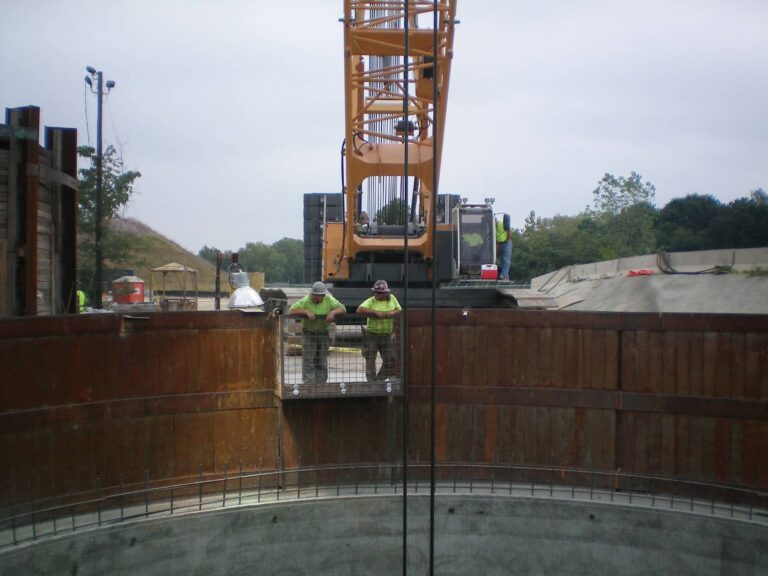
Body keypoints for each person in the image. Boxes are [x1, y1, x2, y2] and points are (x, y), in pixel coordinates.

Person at [289, 281, 346, 384]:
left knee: (321, 359)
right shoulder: (306, 300)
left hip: (323, 332)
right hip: (309, 332)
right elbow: (292, 310)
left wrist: (333, 312)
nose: (317, 298)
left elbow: (342, 308)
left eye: (320, 296)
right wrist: (306, 312)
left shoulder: (329, 300)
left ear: (323, 295)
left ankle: (321, 383)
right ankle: (309, 383)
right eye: (315, 295)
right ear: (312, 294)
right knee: (308, 359)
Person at [356, 279, 402, 382]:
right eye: (376, 292)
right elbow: (359, 309)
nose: (377, 295)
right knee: (370, 360)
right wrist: (375, 312)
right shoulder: (371, 301)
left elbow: (399, 310)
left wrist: (392, 313)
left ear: (386, 293)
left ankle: (380, 380)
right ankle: (371, 382)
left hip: (387, 335)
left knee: (391, 359)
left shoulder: (393, 299)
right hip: (372, 335)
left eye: (380, 293)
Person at [495, 215, 512, 281]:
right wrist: (496, 243)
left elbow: (509, 231)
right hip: (499, 244)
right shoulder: (492, 227)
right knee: (500, 260)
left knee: (506, 261)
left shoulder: (502, 224)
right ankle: (501, 274)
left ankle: (503, 275)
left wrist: (508, 240)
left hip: (506, 243)